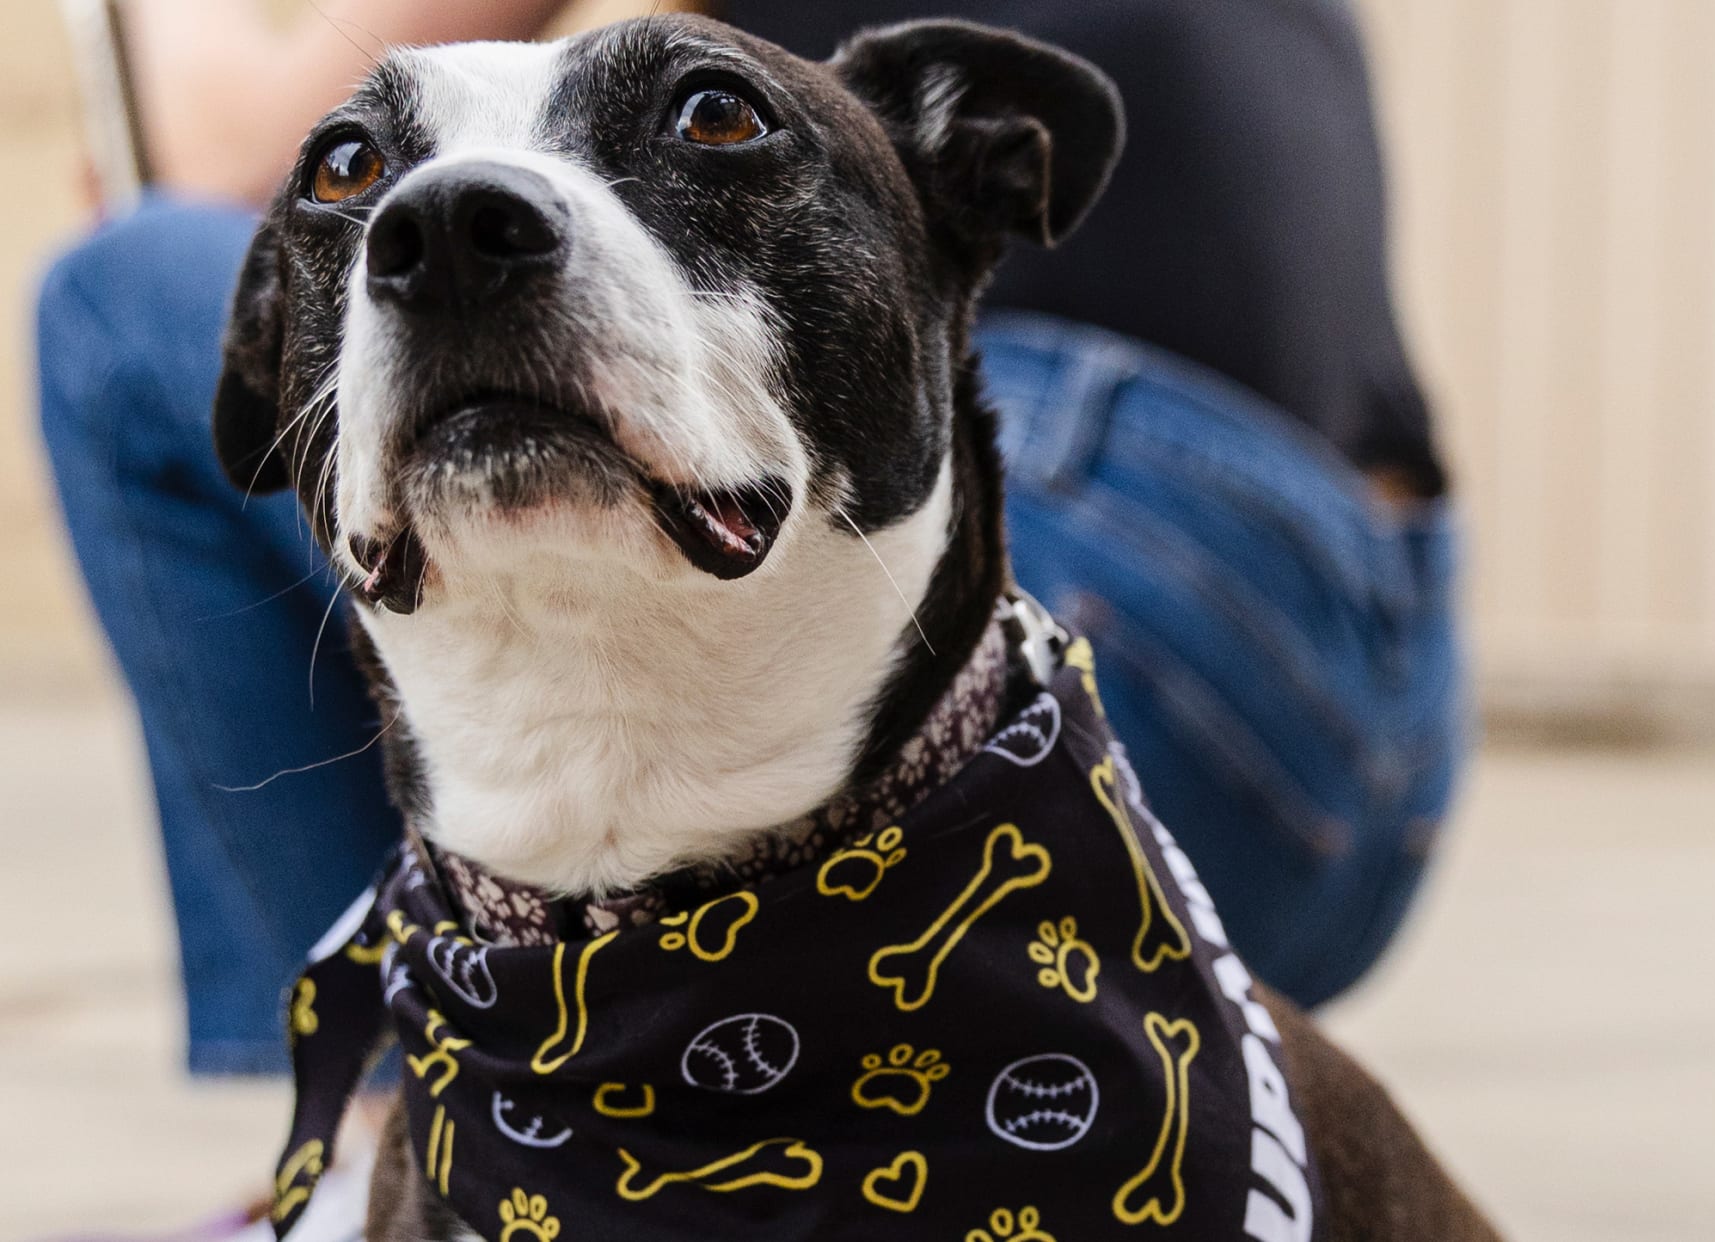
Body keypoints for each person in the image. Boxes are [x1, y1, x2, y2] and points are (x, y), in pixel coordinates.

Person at [37, 0, 1464, 1227]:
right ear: (277, 347)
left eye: (712, 123)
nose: (448, 227)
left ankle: (360, 1133)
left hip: (1117, 542)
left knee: (108, 297)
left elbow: (212, 144)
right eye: (359, 178)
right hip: (1367, 688)